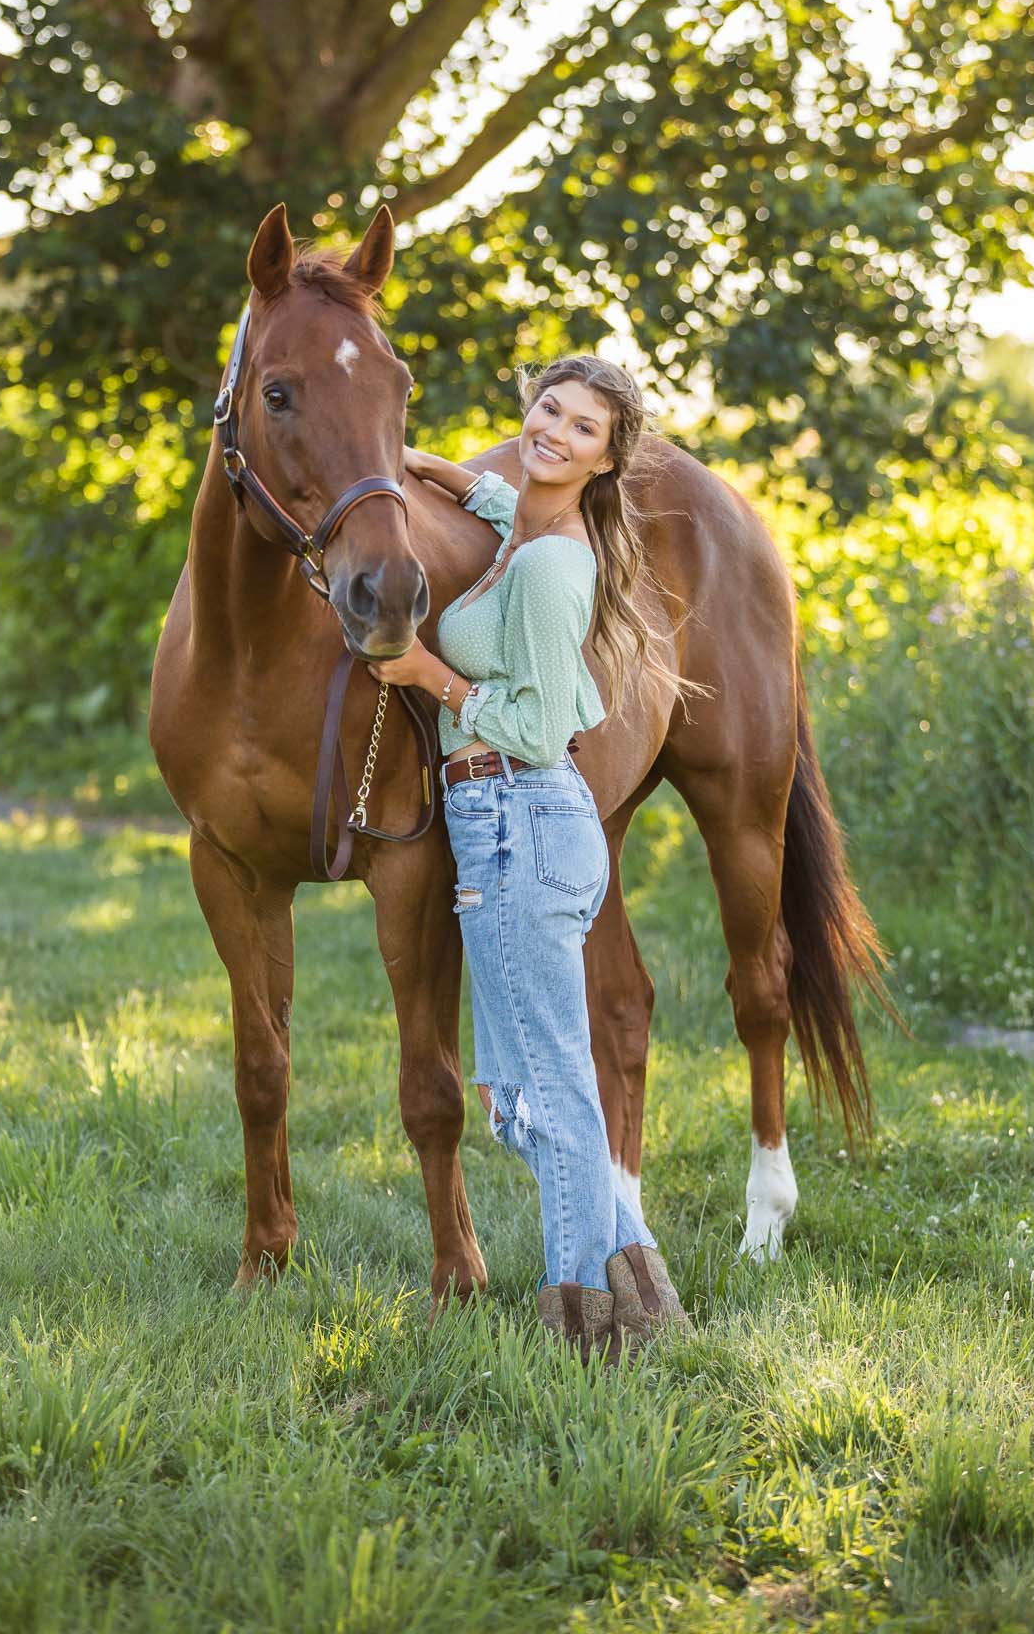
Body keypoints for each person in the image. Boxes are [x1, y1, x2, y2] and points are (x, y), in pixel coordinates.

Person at [366, 355, 693, 1362]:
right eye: (549, 407)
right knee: (520, 1100)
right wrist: (401, 459)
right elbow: (495, 489)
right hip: (501, 827)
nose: (555, 429)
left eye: (583, 427)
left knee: (549, 1096)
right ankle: (647, 1294)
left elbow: (543, 725)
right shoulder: (529, 529)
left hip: (521, 812)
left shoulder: (553, 564)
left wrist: (427, 672)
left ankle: (581, 1323)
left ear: (605, 461)